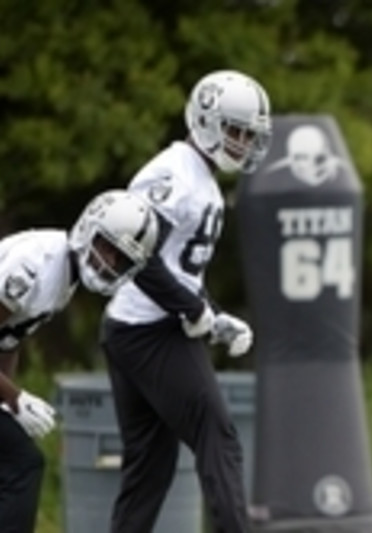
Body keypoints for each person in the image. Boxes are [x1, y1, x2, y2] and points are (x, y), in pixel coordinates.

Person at [100, 69, 272, 533]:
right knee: (219, 438)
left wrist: (212, 316)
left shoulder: (199, 177)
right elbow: (133, 255)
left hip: (132, 327)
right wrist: (191, 310)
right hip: (150, 329)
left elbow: (178, 266)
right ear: (206, 121)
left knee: (150, 467)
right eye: (236, 131)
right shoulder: (173, 175)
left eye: (249, 135)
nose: (243, 143)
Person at [0, 189, 158, 533]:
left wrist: (7, 404)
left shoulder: (63, 275)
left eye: (121, 261)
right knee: (23, 464)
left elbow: (8, 338)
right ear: (89, 227)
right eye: (108, 249)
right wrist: (14, 398)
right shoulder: (34, 266)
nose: (109, 264)